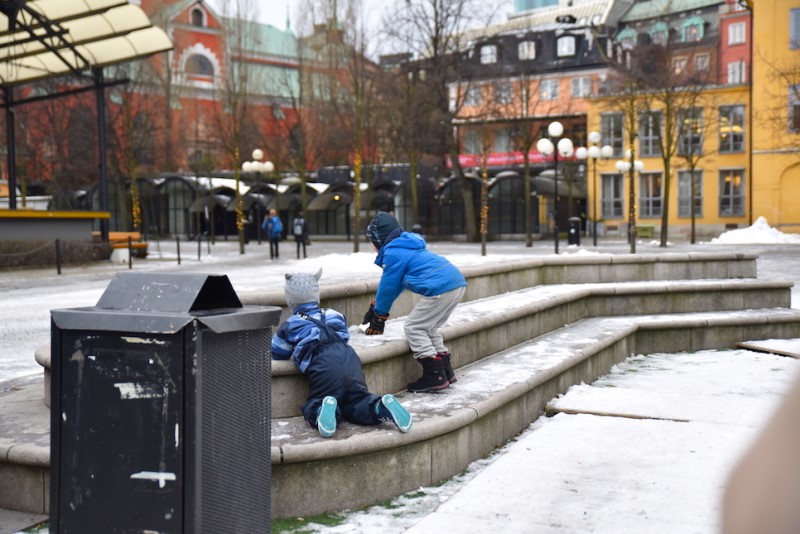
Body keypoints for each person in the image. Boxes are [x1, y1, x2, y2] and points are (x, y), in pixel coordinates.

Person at [271, 268, 412, 438]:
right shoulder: (334, 314)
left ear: (290, 299)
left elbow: (277, 353)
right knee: (358, 400)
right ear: (316, 296)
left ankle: (322, 408)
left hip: (322, 364)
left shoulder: (291, 324)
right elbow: (344, 335)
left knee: (318, 402)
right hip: (350, 358)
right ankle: (379, 406)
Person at [362, 211, 467, 393]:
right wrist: (376, 306)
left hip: (440, 287)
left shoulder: (393, 253)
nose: (371, 245)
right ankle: (445, 370)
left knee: (414, 327)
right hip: (455, 283)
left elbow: (388, 287)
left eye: (371, 240)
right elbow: (395, 286)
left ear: (379, 239)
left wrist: (379, 317)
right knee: (429, 328)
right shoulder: (405, 247)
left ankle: (435, 376)